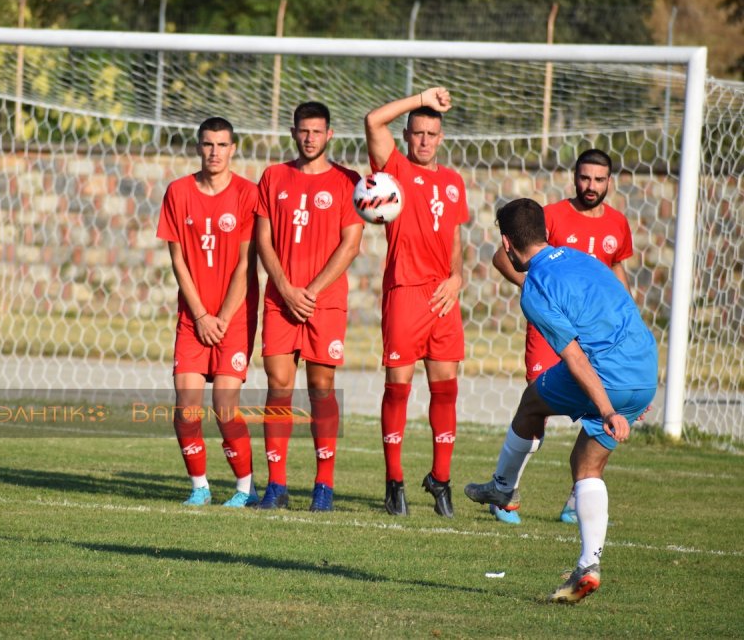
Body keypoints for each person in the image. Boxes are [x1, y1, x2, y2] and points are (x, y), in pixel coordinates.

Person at [464, 197, 657, 603]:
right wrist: (636, 392)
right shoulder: (580, 257)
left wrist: (607, 408)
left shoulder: (534, 289)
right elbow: (624, 304)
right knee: (586, 465)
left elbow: (573, 356)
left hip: (609, 373)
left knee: (533, 400)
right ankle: (588, 565)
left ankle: (503, 488)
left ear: (506, 242)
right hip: (643, 366)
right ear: (545, 233)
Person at [489, 149, 634, 525]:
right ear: (574, 176)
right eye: (585, 178)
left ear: (609, 181)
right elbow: (503, 257)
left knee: (597, 411)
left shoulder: (617, 223)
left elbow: (617, 271)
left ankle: (575, 500)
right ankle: (506, 494)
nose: (591, 186)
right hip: (550, 333)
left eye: (599, 179)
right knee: (536, 410)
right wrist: (538, 291)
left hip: (595, 337)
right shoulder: (549, 216)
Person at [364, 87, 468, 518]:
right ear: (406, 136)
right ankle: (394, 482)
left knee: (446, 391)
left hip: (444, 297)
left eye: (431, 134)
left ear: (441, 138)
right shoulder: (395, 171)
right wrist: (421, 97)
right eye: (417, 133)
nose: (424, 140)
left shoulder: (454, 182)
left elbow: (456, 242)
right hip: (405, 293)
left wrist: (458, 277)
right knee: (399, 389)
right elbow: (373, 119)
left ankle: (440, 479)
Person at [254, 101, 363, 512]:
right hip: (281, 300)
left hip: (325, 302)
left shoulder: (346, 181)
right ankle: (276, 486)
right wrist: (285, 287)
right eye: (303, 130)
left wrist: (311, 290)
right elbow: (263, 240)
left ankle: (324, 487)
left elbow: (350, 245)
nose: (310, 138)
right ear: (293, 132)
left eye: (317, 131)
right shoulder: (273, 176)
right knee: (278, 386)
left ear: (330, 134)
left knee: (321, 389)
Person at [156, 116, 261, 507]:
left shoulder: (248, 195)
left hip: (233, 318)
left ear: (233, 148)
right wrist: (200, 314)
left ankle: (245, 489)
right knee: (185, 409)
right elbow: (178, 260)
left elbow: (245, 265)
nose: (214, 152)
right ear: (198, 147)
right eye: (207, 144)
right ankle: (199, 486)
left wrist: (222, 317)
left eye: (222, 145)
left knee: (225, 409)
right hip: (193, 318)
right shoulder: (178, 191)